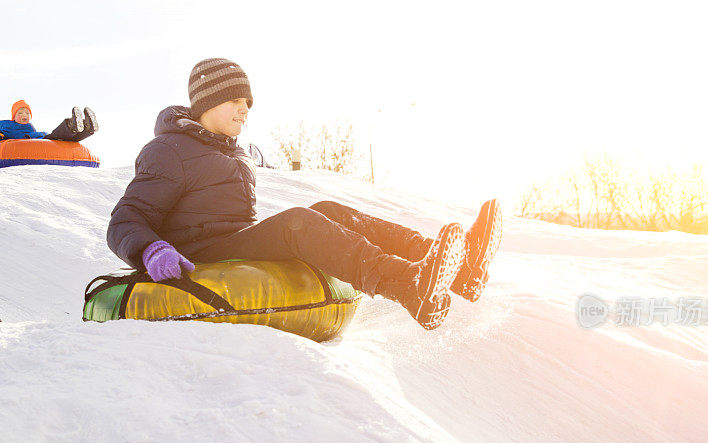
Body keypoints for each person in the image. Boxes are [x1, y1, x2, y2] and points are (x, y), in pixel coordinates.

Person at [107, 58, 501, 330]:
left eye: (248, 103)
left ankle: (459, 268)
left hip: (230, 243)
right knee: (298, 223)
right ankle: (408, 285)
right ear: (208, 101)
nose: (245, 111)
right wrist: (150, 249)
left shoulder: (229, 149)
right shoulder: (169, 150)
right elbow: (127, 217)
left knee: (329, 210)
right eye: (235, 101)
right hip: (195, 256)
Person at [0, 100, 98, 142]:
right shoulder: (7, 124)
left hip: (39, 140)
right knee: (56, 137)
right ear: (14, 116)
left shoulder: (29, 126)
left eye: (27, 113)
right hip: (38, 141)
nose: (24, 115)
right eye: (20, 113)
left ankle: (87, 128)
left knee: (67, 141)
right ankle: (71, 125)